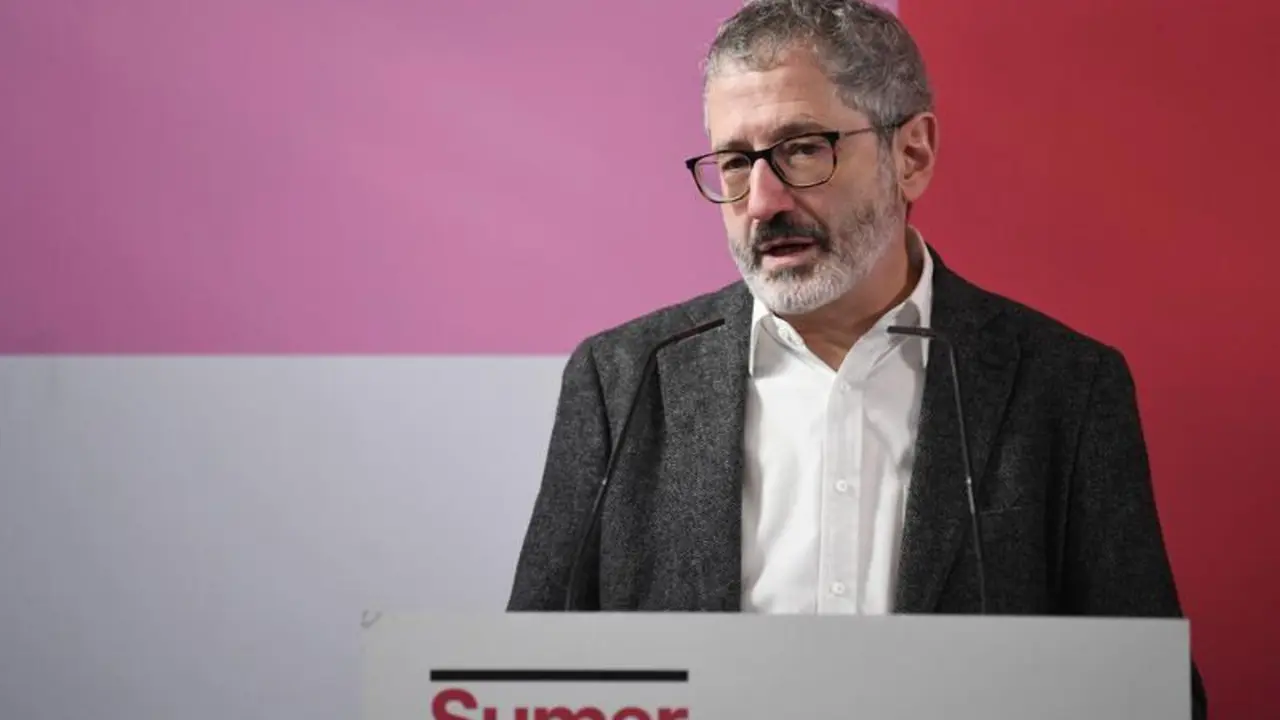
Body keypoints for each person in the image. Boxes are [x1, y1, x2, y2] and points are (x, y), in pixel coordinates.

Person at [507, 0, 1206, 715]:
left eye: (802, 149)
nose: (761, 202)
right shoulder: (624, 380)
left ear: (912, 155)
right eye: (736, 162)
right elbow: (523, 677)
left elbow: (1148, 693)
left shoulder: (1064, 386)